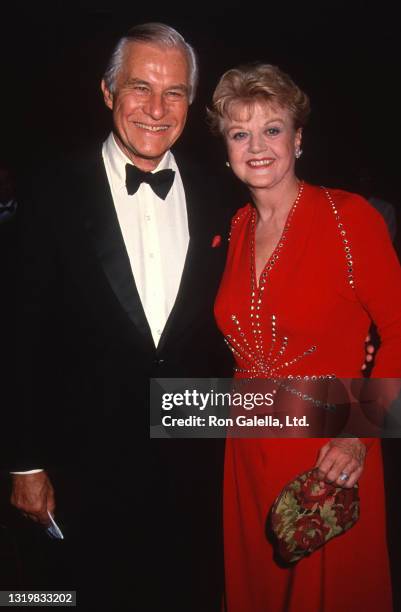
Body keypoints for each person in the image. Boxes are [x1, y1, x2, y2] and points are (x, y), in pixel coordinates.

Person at [10, 23, 233, 610]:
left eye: (175, 92)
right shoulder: (52, 190)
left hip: (194, 460)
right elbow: (17, 334)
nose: (157, 109)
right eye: (140, 87)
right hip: (82, 464)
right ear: (108, 93)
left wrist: (350, 385)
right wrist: (23, 462)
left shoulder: (223, 195)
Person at [209, 63, 401, 611]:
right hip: (247, 450)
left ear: (298, 138)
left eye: (273, 128)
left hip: (329, 452)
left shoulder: (348, 219)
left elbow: (398, 328)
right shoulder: (234, 228)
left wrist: (359, 436)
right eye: (239, 132)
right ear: (225, 150)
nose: (258, 145)